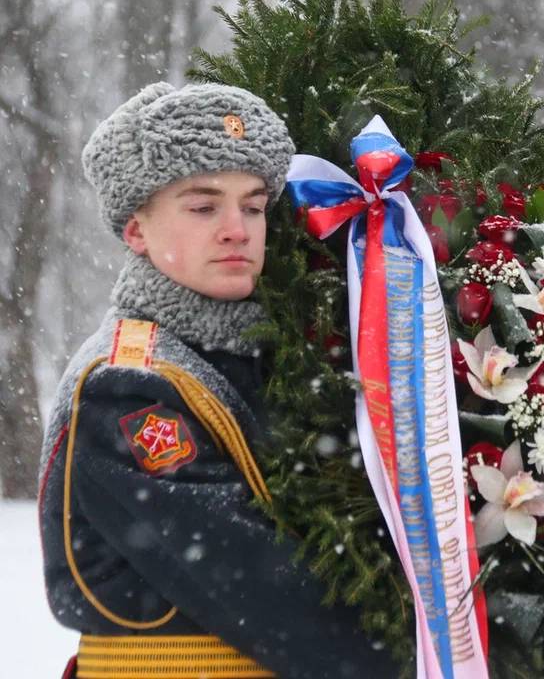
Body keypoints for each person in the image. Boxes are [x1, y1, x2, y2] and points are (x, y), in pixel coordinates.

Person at [37, 83, 398, 678]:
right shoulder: (127, 385)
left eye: (253, 206)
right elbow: (272, 595)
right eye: (204, 207)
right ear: (136, 230)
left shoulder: (266, 355)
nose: (238, 229)